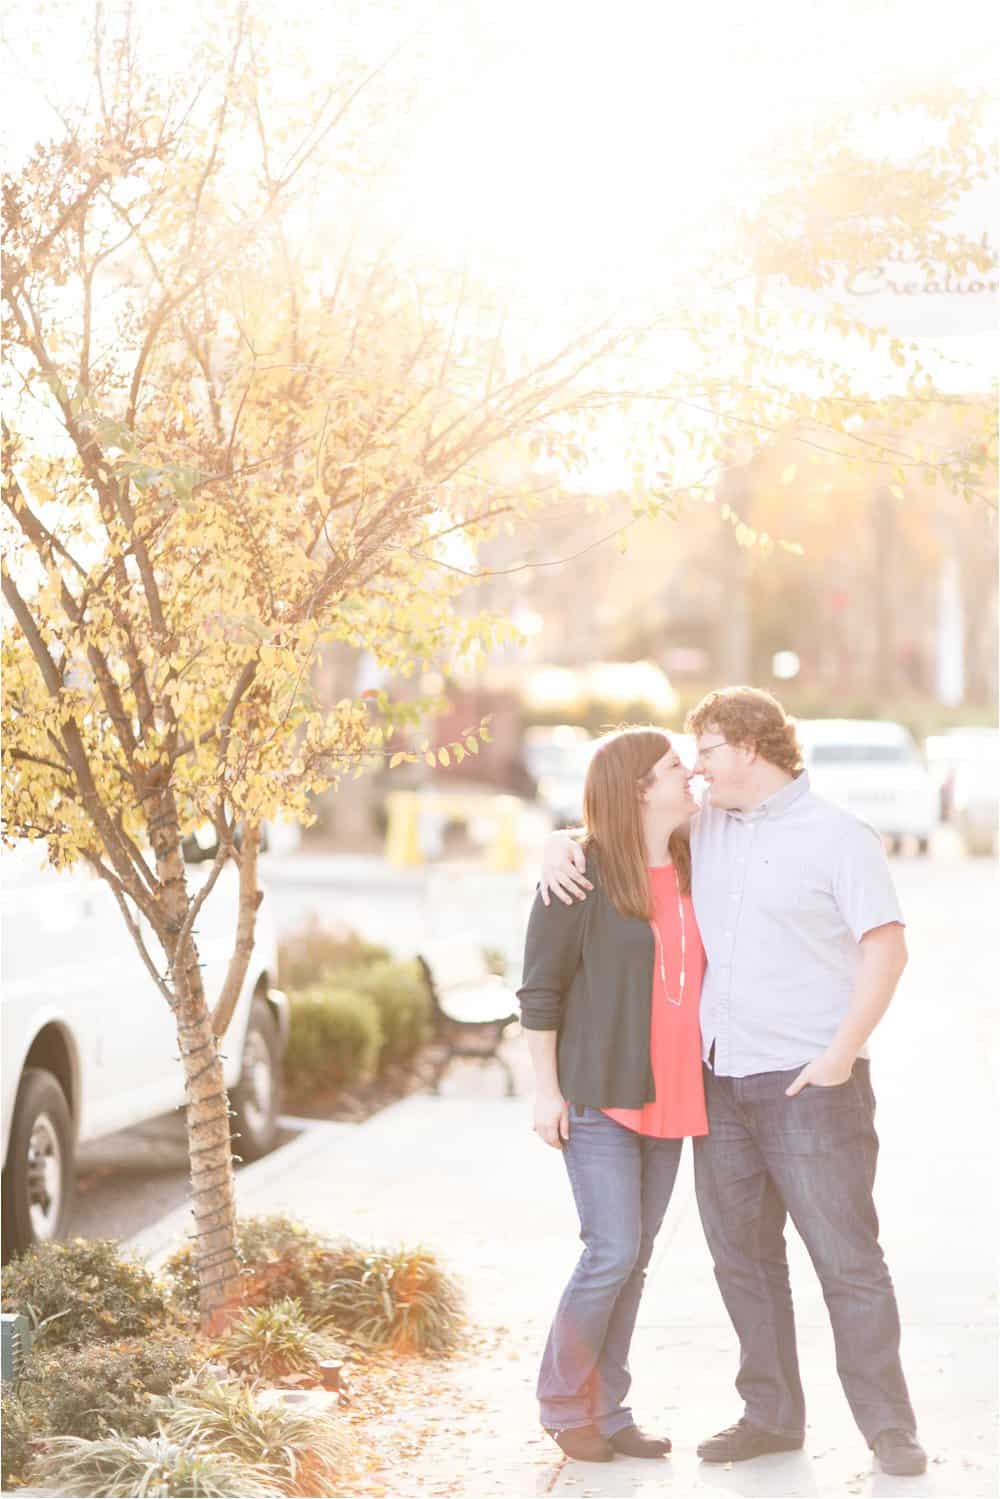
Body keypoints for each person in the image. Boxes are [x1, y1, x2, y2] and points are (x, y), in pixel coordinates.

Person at [540, 688, 926, 1479]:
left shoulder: (839, 837)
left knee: (848, 1261)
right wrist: (555, 842)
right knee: (743, 1263)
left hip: (813, 1084)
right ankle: (772, 1415)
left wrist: (842, 1052)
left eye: (705, 750)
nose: (697, 767)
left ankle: (890, 1428)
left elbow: (886, 950)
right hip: (719, 1087)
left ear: (749, 747)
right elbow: (616, 829)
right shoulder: (702, 832)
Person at [518, 728, 706, 1463]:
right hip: (598, 1094)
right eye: (671, 767)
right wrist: (546, 1090)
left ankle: (611, 1406)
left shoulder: (697, 859)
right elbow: (540, 988)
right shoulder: (581, 873)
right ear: (637, 787)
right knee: (612, 1249)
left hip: (673, 1093)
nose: (687, 774)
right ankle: (564, 1402)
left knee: (636, 1256)